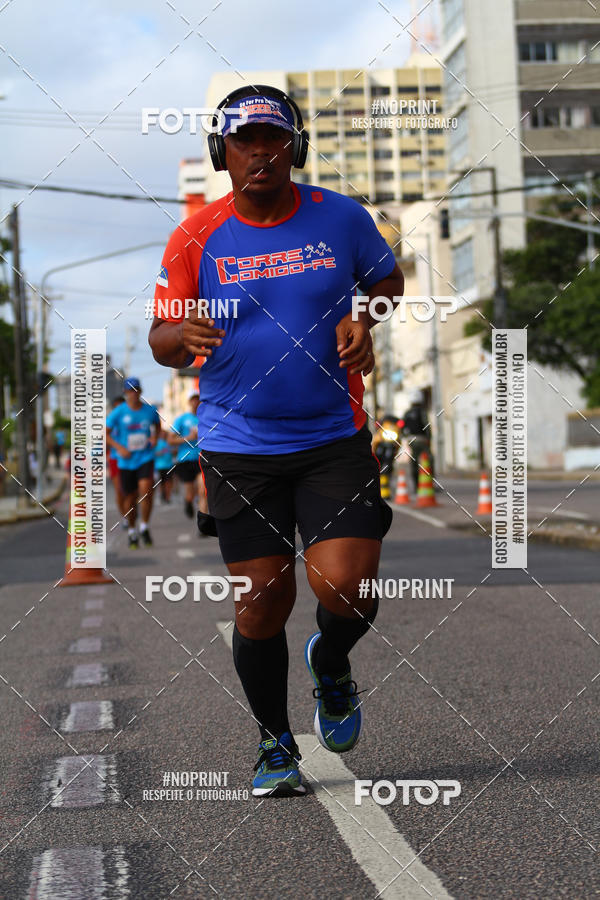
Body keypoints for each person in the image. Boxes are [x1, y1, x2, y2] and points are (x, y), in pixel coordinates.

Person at [149, 84, 404, 797]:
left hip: (332, 436)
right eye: (244, 141)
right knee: (261, 601)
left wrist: (365, 318)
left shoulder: (340, 218)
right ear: (220, 153)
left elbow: (387, 281)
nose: (260, 153)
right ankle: (274, 745)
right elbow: (161, 338)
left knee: (346, 589)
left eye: (274, 139)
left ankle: (332, 663)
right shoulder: (195, 237)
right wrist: (179, 336)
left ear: (294, 147)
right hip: (239, 445)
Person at [106, 377, 160, 549]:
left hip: (145, 457)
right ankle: (131, 529)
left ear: (140, 392)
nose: (133, 394)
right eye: (130, 391)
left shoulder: (150, 411)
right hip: (126, 461)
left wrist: (154, 438)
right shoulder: (118, 412)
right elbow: (105, 434)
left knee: (146, 491)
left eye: (136, 390)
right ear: (125, 393)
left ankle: (144, 526)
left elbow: (157, 427)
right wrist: (119, 448)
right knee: (129, 498)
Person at [168, 390, 202, 519]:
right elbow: (170, 440)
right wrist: (188, 438)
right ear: (189, 402)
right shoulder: (181, 419)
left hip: (201, 458)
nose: (195, 402)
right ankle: (188, 501)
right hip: (185, 459)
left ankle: (202, 517)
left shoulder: (205, 417)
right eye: (193, 399)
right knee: (190, 492)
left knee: (202, 490)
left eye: (197, 399)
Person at [107, 396, 128, 528]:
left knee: (132, 490)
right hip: (116, 459)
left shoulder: (131, 419)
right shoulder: (110, 422)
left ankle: (132, 512)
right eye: (117, 406)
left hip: (133, 458)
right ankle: (125, 516)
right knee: (120, 491)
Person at [154, 431, 175, 503]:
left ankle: (167, 497)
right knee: (161, 483)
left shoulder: (169, 442)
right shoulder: (157, 443)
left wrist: (173, 452)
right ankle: (162, 495)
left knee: (168, 482)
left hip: (169, 465)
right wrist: (162, 452)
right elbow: (155, 453)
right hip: (159, 466)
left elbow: (174, 452)